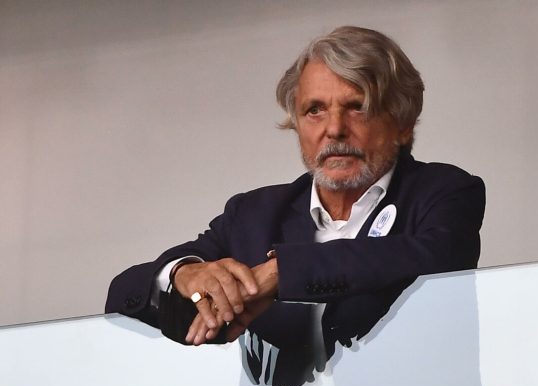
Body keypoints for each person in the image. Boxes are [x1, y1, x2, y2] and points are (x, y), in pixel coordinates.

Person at [106, 26, 485, 359]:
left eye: (357, 107)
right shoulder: (252, 216)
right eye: (314, 110)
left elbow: (432, 257)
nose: (334, 129)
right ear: (297, 125)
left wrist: (282, 272)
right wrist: (183, 276)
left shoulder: (445, 192)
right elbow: (123, 294)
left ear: (402, 124)